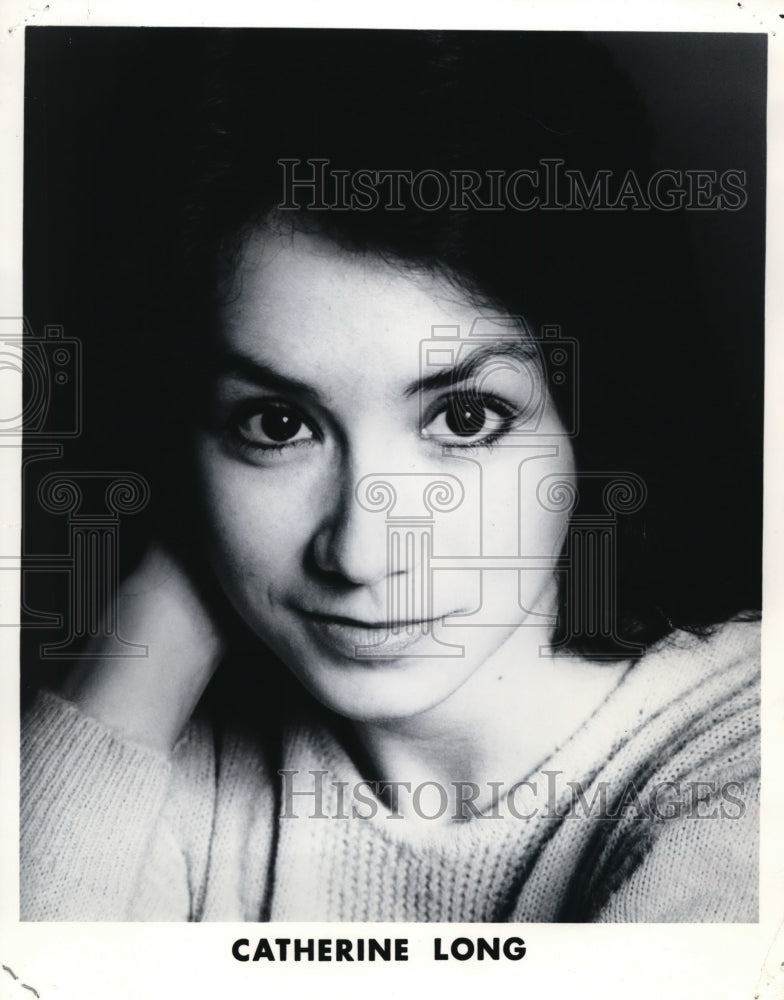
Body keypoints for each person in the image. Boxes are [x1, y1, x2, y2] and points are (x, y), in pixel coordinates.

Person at [20, 29, 761, 922]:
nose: (364, 553)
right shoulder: (151, 778)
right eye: (278, 423)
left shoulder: (750, 769)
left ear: (594, 421)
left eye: (463, 419)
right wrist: (137, 661)